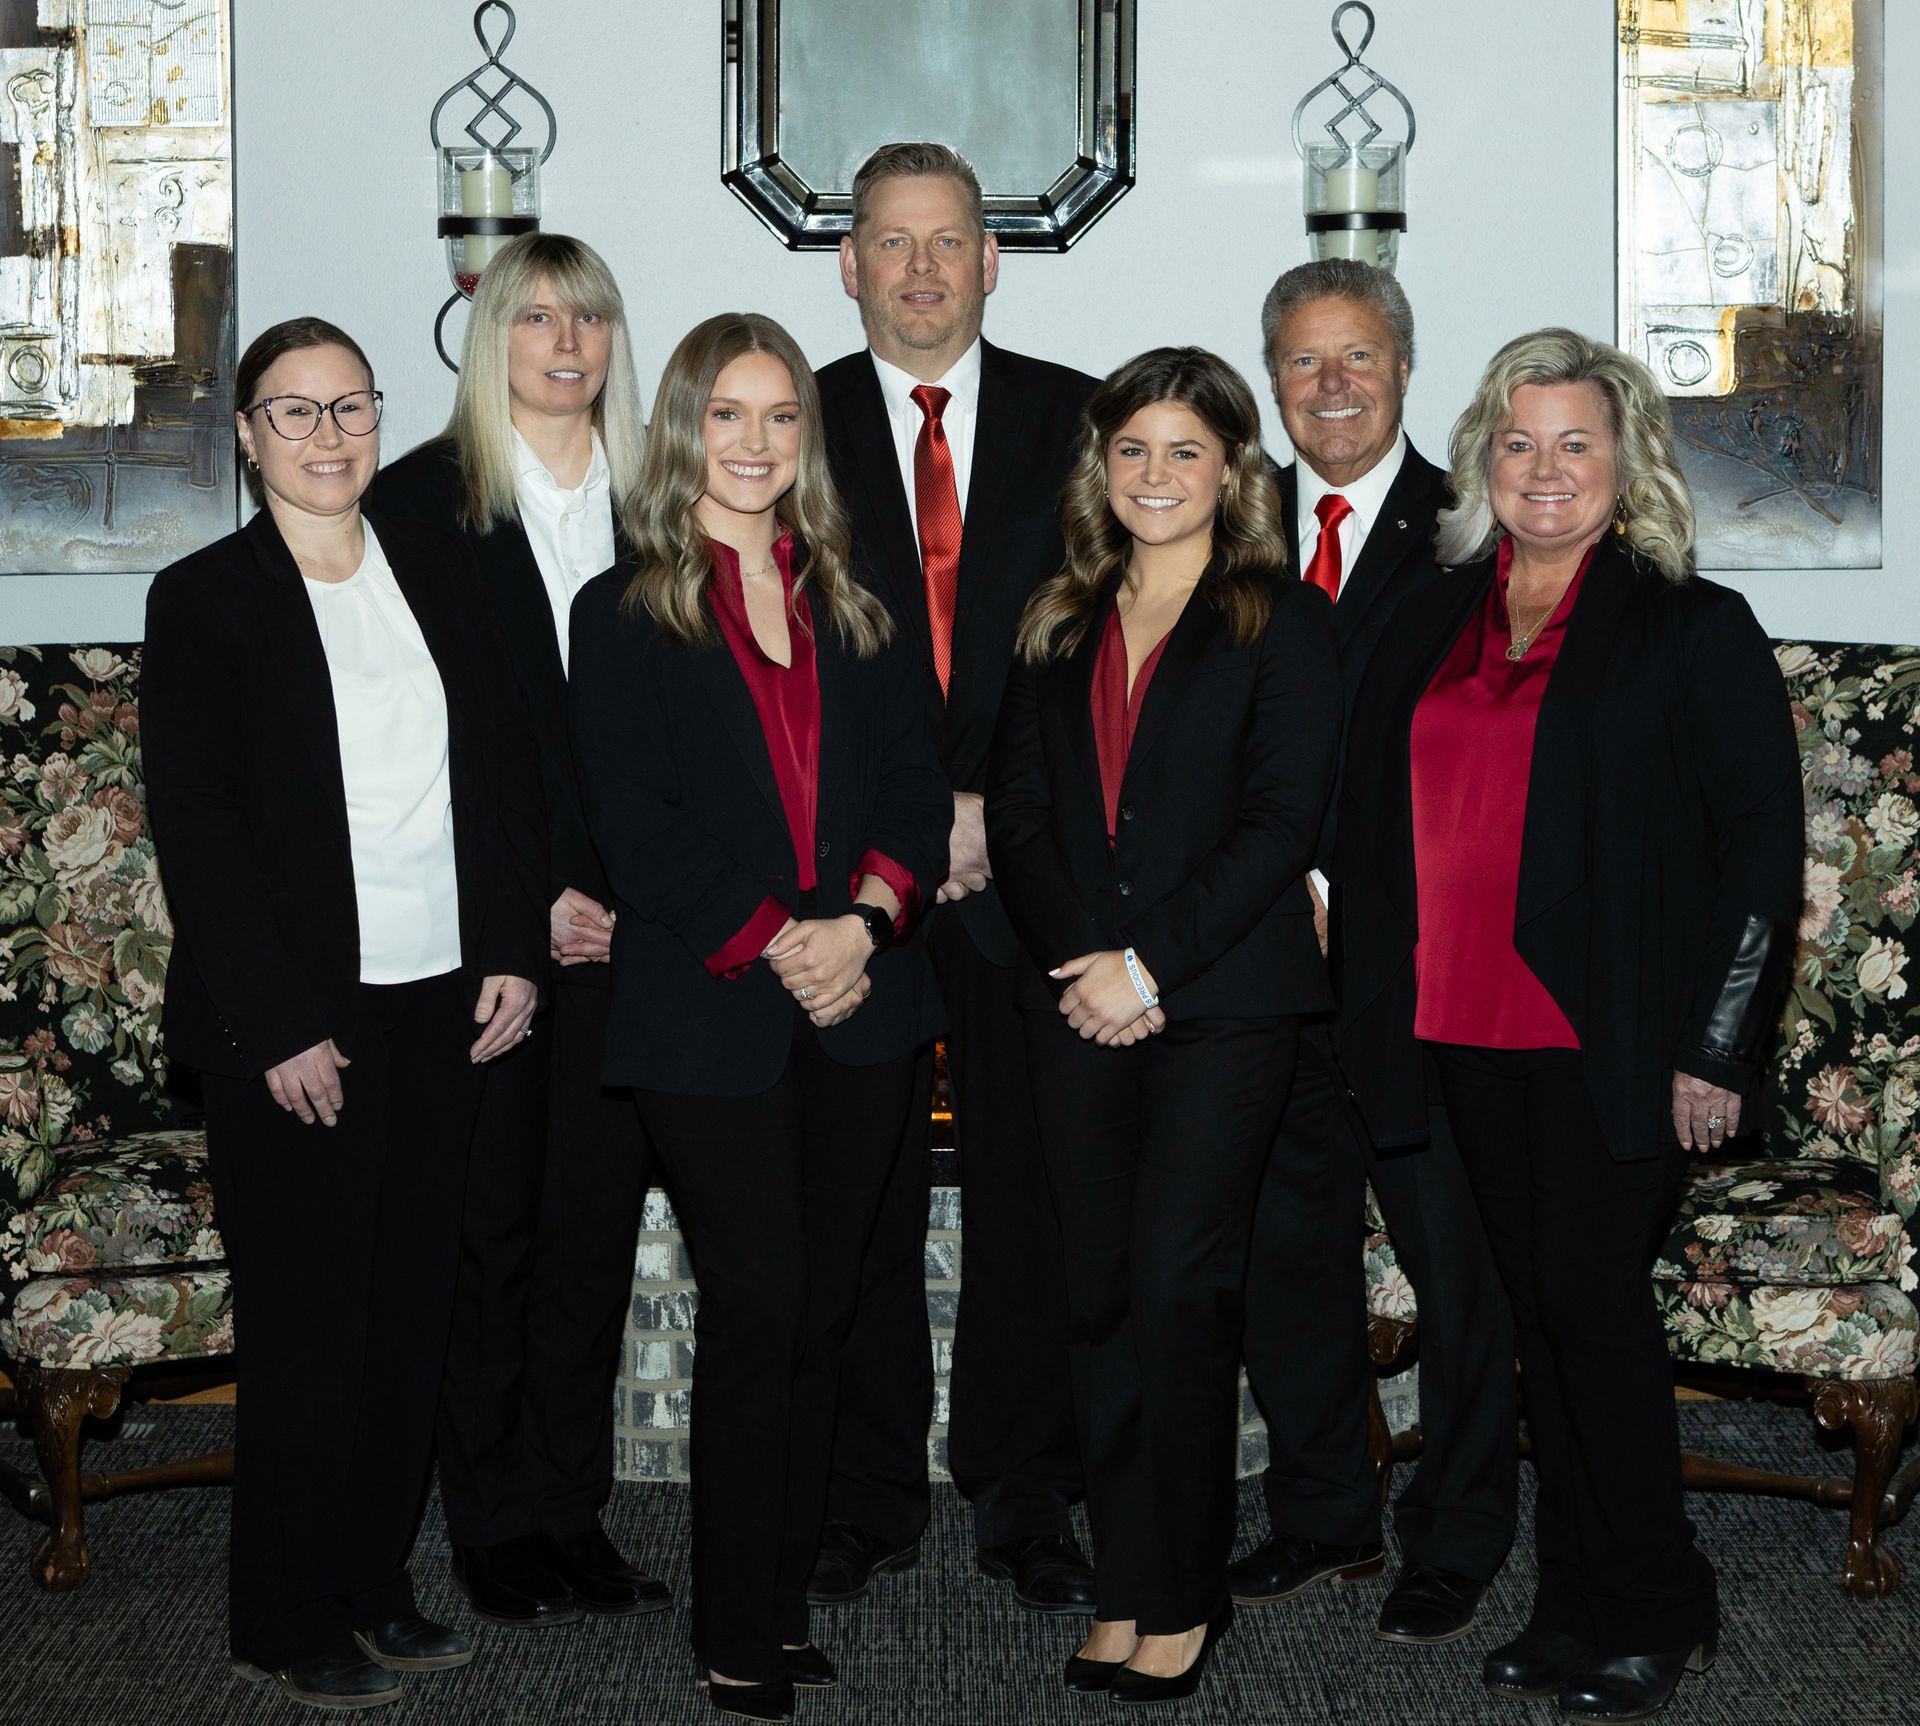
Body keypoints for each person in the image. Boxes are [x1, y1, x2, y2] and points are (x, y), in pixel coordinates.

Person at [1333, 328, 1802, 1724]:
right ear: (1486, 457)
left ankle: (1656, 1600)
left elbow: (1759, 859)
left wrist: (1714, 1050)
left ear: (1626, 460)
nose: (1546, 469)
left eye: (1576, 441)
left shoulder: (1690, 622)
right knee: (1536, 1325)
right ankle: (1572, 1599)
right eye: (1520, 442)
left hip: (1613, 1044)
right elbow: (1373, 807)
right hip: (1452, 1023)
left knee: (1596, 1325)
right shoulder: (1433, 609)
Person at [142, 319, 547, 1711]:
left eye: (351, 409)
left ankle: (374, 1580)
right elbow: (197, 834)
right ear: (248, 435)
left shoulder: (433, 563)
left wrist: (510, 948)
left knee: (407, 1317)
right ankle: (282, 1609)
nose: (328, 438)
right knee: (309, 1329)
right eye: (295, 414)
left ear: (382, 418)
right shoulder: (204, 598)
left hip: (443, 996)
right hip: (300, 1028)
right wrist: (279, 1023)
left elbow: (493, 774)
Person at [568, 312, 950, 1721]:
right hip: (710, 1008)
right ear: (683, 430)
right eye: (726, 414)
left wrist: (866, 919)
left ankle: (783, 1607)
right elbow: (636, 824)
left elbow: (916, 783)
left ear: (809, 438)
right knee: (762, 1304)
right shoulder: (619, 612)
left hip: (862, 996)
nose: (755, 442)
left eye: (780, 415)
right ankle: (735, 1624)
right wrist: (782, 938)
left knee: (827, 1314)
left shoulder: (859, 597)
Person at [989, 347, 1341, 1702]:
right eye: (1132, 449)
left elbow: (1278, 829)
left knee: (1180, 1293)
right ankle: (1129, 1581)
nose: (1155, 475)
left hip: (1224, 1007)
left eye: (1184, 450)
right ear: (1101, 467)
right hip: (1077, 997)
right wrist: (1088, 959)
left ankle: (1185, 1593)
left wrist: (1150, 966)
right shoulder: (1059, 613)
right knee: (1096, 1298)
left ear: (1233, 470)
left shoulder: (1282, 620)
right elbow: (1020, 812)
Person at [812, 139, 1099, 1613]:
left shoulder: (1081, 422)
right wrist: (910, 834)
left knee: (1030, 1195)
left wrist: (1000, 812)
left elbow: (1109, 649)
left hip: (1026, 873)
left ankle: (1025, 1487)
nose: (921, 269)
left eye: (948, 242)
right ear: (847, 262)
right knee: (854, 1204)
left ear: (992, 261)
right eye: (890, 242)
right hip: (852, 887)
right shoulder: (779, 427)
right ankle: (863, 1491)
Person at [369, 233, 668, 1628]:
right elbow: (419, 738)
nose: (566, 340)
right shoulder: (421, 503)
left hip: (640, 929)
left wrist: (640, 898)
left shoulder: (660, 496)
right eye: (535, 315)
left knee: (591, 1233)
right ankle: (489, 1515)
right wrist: (529, 893)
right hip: (486, 931)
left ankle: (567, 1505)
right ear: (487, 334)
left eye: (589, 315)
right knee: (487, 1231)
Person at [1231, 259, 1519, 1646]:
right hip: (1268, 974)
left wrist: (1355, 883)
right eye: (1302, 361)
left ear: (1405, 368)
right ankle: (1324, 1516)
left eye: (1356, 357)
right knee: (1290, 1263)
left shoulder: (1475, 533)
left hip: (1426, 972)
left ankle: (1454, 1536)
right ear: (1272, 382)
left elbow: (1494, 752)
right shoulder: (1224, 525)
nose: (1331, 385)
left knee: (1460, 1268)